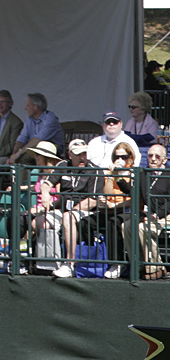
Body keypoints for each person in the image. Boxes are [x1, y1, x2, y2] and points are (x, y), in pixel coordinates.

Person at [125, 143, 170, 280]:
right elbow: (133, 192)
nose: (153, 159)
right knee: (126, 226)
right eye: (150, 155)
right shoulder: (143, 174)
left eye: (157, 156)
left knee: (142, 228)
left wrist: (157, 215)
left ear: (164, 160)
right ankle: (138, 264)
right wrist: (119, 178)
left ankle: (154, 266)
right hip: (149, 215)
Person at [54, 139, 105, 278]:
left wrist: (72, 210)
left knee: (68, 217)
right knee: (39, 221)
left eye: (84, 153)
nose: (82, 157)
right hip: (62, 209)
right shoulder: (62, 165)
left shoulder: (95, 170)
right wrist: (46, 193)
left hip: (85, 212)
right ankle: (45, 263)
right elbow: (47, 182)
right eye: (78, 154)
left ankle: (69, 263)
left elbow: (93, 201)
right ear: (70, 155)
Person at [25, 141, 67, 273]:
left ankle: (31, 260)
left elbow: (60, 198)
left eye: (39, 156)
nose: (36, 158)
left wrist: (43, 209)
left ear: (47, 158)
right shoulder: (40, 173)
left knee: (26, 221)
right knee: (17, 219)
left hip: (53, 210)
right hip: (38, 209)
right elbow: (35, 187)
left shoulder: (56, 175)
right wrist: (18, 187)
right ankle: (21, 258)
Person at [100, 142, 137, 279]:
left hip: (127, 209)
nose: (120, 160)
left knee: (113, 222)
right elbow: (108, 194)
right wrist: (112, 176)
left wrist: (116, 206)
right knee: (86, 222)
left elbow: (134, 198)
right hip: (111, 208)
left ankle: (117, 262)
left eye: (124, 157)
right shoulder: (110, 172)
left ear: (130, 158)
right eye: (116, 157)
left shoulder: (134, 172)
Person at [7, 93, 63, 165]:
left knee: (23, 158)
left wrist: (19, 154)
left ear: (35, 107)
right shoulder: (29, 119)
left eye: (28, 105)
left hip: (53, 149)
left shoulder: (50, 118)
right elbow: (22, 138)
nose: (25, 108)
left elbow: (37, 140)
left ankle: (31, 176)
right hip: (35, 149)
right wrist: (13, 155)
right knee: (17, 158)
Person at [0, 90, 24, 164]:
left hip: (3, 156)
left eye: (3, 102)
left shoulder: (16, 122)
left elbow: (12, 145)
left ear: (10, 103)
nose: (0, 104)